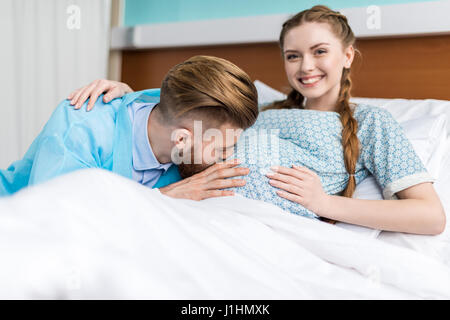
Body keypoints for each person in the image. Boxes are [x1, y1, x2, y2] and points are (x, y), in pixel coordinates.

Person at [67, 6, 445, 235]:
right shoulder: (262, 111)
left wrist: (324, 203)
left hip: (246, 230)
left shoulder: (372, 123)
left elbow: (430, 217)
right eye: (293, 55)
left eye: (319, 52)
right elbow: (187, 119)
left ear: (347, 55)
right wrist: (129, 98)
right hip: (184, 209)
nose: (306, 66)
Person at [0, 56, 259, 200]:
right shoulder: (82, 128)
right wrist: (163, 198)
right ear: (181, 140)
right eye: (223, 148)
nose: (227, 156)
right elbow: (54, 216)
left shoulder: (179, 113)